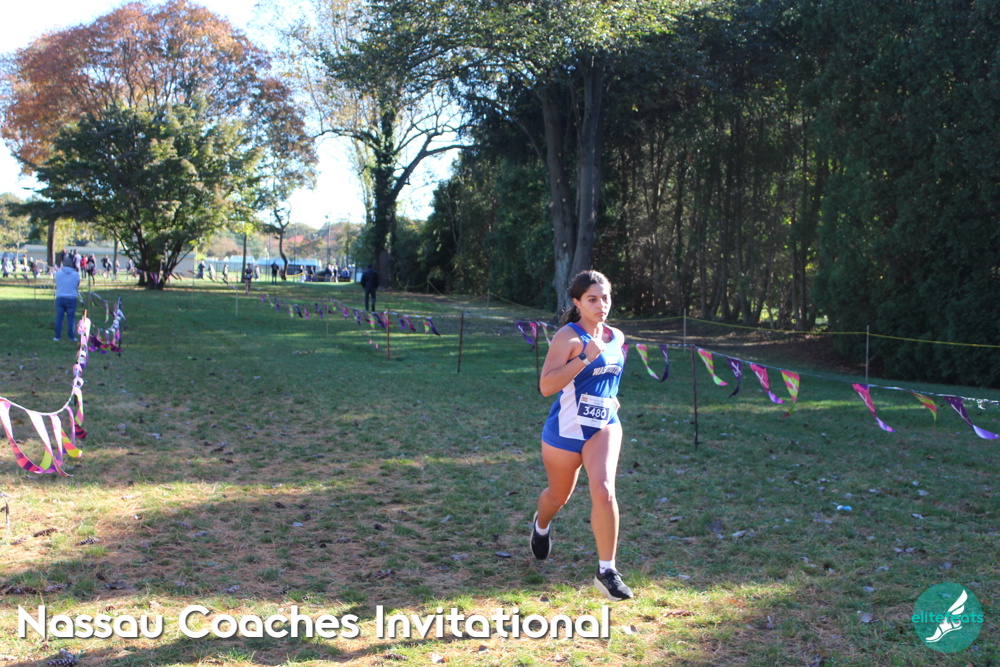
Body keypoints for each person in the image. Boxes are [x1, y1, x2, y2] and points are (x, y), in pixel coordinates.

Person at [530, 270, 633, 601]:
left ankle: (607, 571)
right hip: (565, 430)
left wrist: (612, 399)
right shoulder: (568, 337)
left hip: (603, 426)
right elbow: (546, 386)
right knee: (557, 497)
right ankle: (541, 525)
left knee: (604, 490)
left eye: (605, 298)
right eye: (592, 299)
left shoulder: (616, 336)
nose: (601, 305)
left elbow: (609, 378)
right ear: (577, 302)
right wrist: (585, 357)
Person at [54, 261, 81, 342]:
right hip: (72, 297)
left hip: (60, 296)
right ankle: (72, 337)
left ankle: (57, 336)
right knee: (71, 318)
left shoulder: (58, 273)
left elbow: (56, 283)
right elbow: (77, 284)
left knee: (59, 318)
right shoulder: (76, 274)